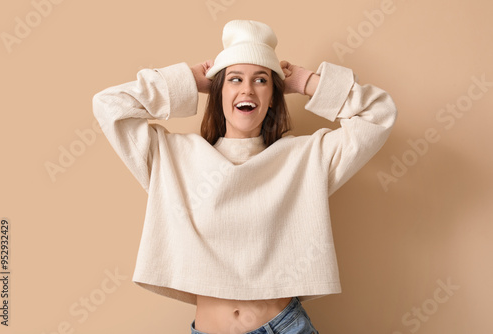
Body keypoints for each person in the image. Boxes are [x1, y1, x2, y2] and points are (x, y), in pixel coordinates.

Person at [92, 19, 397, 334]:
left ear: (273, 95)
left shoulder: (306, 158)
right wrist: (184, 80)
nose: (248, 89)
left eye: (261, 80)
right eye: (235, 79)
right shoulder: (172, 157)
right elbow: (108, 105)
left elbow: (378, 116)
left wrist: (307, 82)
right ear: (217, 90)